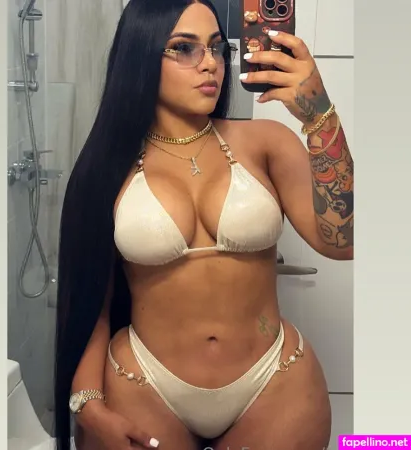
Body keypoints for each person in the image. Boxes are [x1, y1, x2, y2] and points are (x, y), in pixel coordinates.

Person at [54, 1, 354, 449]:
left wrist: (319, 115)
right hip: (143, 384)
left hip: (274, 383)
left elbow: (344, 241)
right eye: (184, 48)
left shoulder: (265, 143)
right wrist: (88, 404)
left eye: (216, 47)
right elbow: (90, 300)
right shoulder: (107, 166)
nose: (210, 63)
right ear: (141, 55)